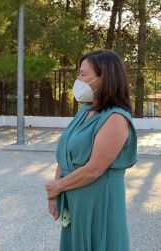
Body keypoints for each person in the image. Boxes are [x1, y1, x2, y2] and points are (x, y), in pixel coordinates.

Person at [45, 49, 138, 250]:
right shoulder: (85, 111)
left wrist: (58, 187)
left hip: (98, 201)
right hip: (75, 196)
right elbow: (65, 157)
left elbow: (94, 169)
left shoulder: (115, 118)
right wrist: (55, 192)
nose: (78, 79)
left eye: (83, 74)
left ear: (105, 78)